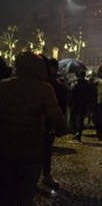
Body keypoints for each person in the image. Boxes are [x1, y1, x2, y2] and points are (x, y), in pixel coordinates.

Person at [0, 52, 67, 206]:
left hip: (4, 152)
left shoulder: (2, 86)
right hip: (30, 154)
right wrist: (60, 129)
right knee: (25, 196)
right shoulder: (44, 89)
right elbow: (57, 121)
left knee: (4, 196)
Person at [41, 57, 68, 188]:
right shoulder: (54, 85)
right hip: (46, 124)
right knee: (45, 150)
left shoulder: (50, 84)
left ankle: (42, 174)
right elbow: (61, 106)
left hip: (44, 124)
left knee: (44, 149)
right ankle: (45, 175)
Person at [69, 71, 93, 142]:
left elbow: (73, 94)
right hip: (84, 103)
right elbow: (90, 93)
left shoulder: (77, 84)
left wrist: (70, 102)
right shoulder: (87, 84)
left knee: (74, 118)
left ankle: (77, 132)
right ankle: (79, 133)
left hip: (76, 103)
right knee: (81, 119)